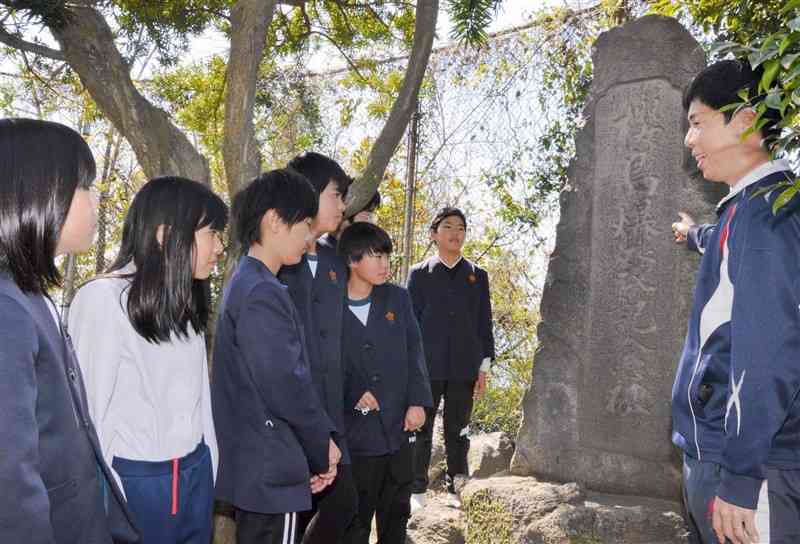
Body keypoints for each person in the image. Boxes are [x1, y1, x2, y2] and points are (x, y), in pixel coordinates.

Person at [670, 59, 800, 544]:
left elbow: (768, 355)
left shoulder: (767, 216)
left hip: (748, 468)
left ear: (745, 118)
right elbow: (724, 247)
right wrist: (692, 234)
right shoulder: (747, 210)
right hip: (723, 454)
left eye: (697, 123)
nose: (690, 140)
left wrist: (742, 479)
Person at [0, 118, 138, 543]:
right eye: (84, 187)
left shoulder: (29, 295)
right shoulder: (7, 310)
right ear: (41, 193)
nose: (95, 200)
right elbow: (10, 482)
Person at [68, 177, 227, 544]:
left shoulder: (185, 304)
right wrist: (110, 505)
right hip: (137, 489)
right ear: (164, 234)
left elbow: (200, 402)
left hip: (194, 477)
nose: (218, 246)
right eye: (211, 233)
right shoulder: (103, 300)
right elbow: (89, 419)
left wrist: (208, 470)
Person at [212, 169, 340, 544]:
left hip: (260, 463)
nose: (308, 234)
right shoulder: (261, 291)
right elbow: (286, 383)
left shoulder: (248, 282)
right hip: (270, 465)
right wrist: (322, 447)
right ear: (273, 221)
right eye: (303, 222)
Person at [279, 152, 359, 543]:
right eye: (336, 194)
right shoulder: (274, 262)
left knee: (344, 503)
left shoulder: (334, 261)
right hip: (290, 418)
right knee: (295, 513)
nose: (343, 206)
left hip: (332, 413)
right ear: (307, 193)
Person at [339, 222, 432, 544]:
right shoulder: (328, 306)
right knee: (357, 518)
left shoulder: (398, 299)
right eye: (375, 256)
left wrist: (418, 402)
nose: (384, 264)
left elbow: (414, 350)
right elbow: (318, 365)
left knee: (396, 513)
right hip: (356, 435)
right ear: (352, 260)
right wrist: (352, 392)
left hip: (398, 426)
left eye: (386, 256)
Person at [406, 207, 495, 507]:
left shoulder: (477, 275)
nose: (455, 233)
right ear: (434, 234)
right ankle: (416, 488)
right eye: (448, 227)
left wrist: (483, 367)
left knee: (458, 429)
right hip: (426, 367)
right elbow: (410, 324)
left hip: (463, 366)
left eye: (460, 227)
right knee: (421, 427)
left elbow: (484, 323)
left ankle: (457, 484)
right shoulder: (419, 274)